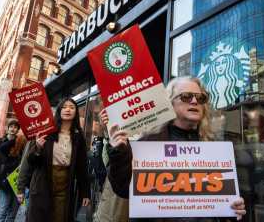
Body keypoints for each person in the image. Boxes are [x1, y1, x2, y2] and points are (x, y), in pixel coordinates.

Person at [100, 77, 246, 221]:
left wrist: (233, 208)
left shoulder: (215, 148)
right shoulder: (148, 143)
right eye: (186, 96)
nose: (194, 101)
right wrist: (118, 151)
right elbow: (123, 188)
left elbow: (222, 203)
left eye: (200, 98)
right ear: (170, 102)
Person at [20, 97, 90, 222]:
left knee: (60, 217)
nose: (68, 110)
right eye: (64, 107)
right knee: (39, 217)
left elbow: (82, 167)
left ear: (76, 112)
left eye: (72, 107)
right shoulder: (45, 132)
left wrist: (85, 192)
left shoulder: (78, 137)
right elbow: (29, 162)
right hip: (42, 182)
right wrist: (38, 148)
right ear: (59, 111)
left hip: (65, 184)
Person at [0, 120, 26, 222]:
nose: (13, 129)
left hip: (13, 178)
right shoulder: (0, 141)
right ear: (7, 128)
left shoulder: (20, 142)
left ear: (18, 130)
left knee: (10, 211)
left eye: (15, 127)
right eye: (11, 126)